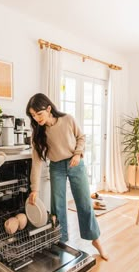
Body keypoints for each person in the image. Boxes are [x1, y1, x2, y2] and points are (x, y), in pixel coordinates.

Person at [26, 93, 108, 260]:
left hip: (75, 164)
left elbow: (81, 137)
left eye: (39, 114)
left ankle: (95, 239)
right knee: (58, 207)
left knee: (84, 203)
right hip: (56, 167)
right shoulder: (38, 133)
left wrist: (78, 154)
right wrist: (34, 189)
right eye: (33, 116)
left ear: (49, 109)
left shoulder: (68, 120)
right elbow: (36, 162)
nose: (37, 119)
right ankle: (60, 241)